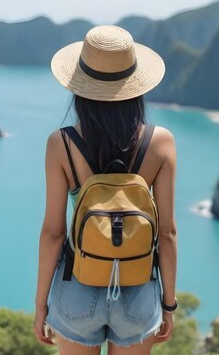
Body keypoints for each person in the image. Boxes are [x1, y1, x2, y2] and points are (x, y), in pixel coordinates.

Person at [33, 25, 178, 354]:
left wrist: (41, 304)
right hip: (139, 290)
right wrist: (169, 305)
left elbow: (53, 233)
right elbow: (167, 233)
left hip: (77, 289)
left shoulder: (61, 144)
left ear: (80, 88)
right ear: (136, 85)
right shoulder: (162, 142)